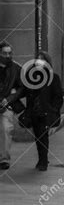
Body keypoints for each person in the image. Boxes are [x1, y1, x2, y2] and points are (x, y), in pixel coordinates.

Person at [23, 52, 63, 172]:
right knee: (38, 137)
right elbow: (28, 93)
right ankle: (42, 158)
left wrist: (53, 111)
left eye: (42, 60)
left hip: (45, 113)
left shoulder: (54, 77)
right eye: (38, 60)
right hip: (35, 112)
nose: (39, 62)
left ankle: (43, 161)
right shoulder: (32, 77)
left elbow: (57, 97)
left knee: (43, 137)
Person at [0, 42, 24, 170]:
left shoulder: (16, 68)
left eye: (10, 53)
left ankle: (4, 159)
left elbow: (21, 87)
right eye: (5, 53)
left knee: (5, 130)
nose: (8, 56)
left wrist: (9, 98)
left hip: (6, 106)